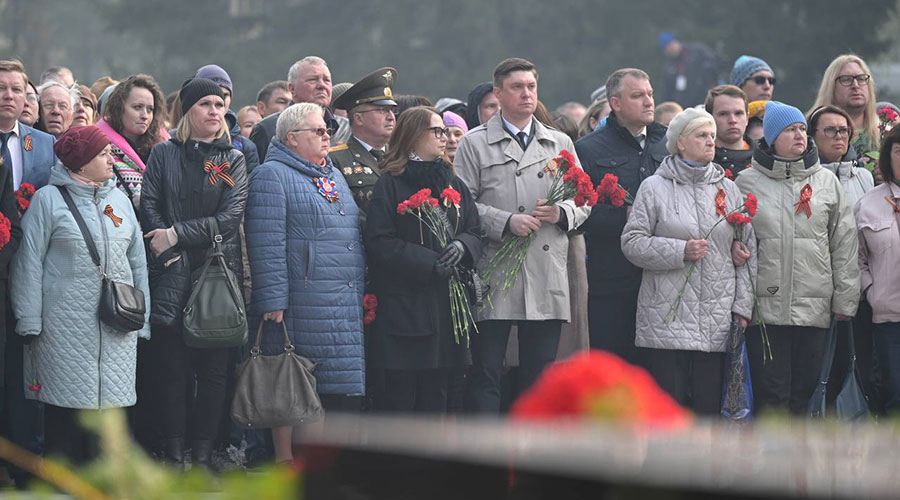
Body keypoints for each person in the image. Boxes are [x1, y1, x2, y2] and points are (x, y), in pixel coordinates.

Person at [455, 58, 590, 413]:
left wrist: (563, 213)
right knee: (487, 372)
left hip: (546, 269)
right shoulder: (474, 143)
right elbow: (460, 204)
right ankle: (489, 456)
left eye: (531, 86)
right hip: (495, 269)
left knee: (540, 376)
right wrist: (504, 221)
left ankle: (533, 453)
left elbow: (584, 198)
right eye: (517, 87)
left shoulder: (559, 142)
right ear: (498, 94)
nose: (527, 94)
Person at [11, 125, 149, 464]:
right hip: (64, 329)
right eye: (103, 154)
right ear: (82, 162)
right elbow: (28, 263)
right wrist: (29, 319)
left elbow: (138, 262)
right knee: (65, 418)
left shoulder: (118, 200)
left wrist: (142, 319)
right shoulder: (48, 200)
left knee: (110, 421)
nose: (111, 159)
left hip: (118, 326)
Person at [246, 102, 364, 463]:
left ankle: (314, 466)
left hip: (339, 300)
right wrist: (272, 298)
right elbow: (265, 240)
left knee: (322, 389)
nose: (327, 134)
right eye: (318, 130)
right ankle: (284, 461)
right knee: (290, 384)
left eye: (327, 129)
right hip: (300, 300)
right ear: (292, 138)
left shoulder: (331, 173)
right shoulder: (272, 174)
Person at [140, 78, 248, 468]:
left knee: (214, 373)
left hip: (214, 276)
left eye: (220, 105)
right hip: (170, 274)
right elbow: (149, 205)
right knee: (172, 371)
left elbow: (229, 217)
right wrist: (163, 241)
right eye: (205, 104)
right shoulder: (163, 154)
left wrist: (176, 234)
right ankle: (174, 453)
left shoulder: (229, 159)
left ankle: (203, 456)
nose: (215, 111)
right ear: (187, 111)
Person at [621, 108, 755, 414]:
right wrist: (680, 251)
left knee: (709, 409)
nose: (710, 141)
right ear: (680, 142)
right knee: (671, 408)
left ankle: (707, 463)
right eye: (701, 135)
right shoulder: (654, 187)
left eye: (712, 135)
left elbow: (748, 253)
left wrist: (742, 308)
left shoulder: (729, 189)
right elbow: (631, 243)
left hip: (716, 317)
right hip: (667, 318)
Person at [735, 101, 859, 415]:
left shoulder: (826, 182)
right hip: (766, 308)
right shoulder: (746, 183)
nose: (800, 135)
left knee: (806, 395)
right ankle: (771, 463)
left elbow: (843, 243)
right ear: (773, 136)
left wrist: (845, 301)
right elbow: (735, 240)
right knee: (771, 395)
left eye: (802, 129)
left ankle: (801, 463)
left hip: (814, 306)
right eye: (790, 130)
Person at [365, 106, 482, 413]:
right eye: (437, 131)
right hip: (407, 308)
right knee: (403, 397)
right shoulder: (391, 183)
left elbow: (474, 228)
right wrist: (428, 262)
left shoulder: (452, 182)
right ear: (414, 136)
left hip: (447, 307)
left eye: (445, 131)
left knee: (440, 394)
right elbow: (379, 241)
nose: (444, 138)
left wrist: (462, 247)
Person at [575, 68, 668, 364]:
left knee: (658, 374)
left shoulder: (668, 145)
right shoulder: (588, 150)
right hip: (610, 281)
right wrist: (626, 216)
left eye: (650, 94)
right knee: (611, 370)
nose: (648, 101)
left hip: (662, 281)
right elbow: (578, 212)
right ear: (615, 103)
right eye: (638, 96)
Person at [857, 127, 900, 414]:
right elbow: (856, 260)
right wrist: (873, 293)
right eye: (899, 151)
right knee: (893, 397)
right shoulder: (869, 203)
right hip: (888, 320)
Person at [330, 67, 398, 221]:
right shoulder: (336, 160)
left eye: (392, 110)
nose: (391, 117)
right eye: (382, 110)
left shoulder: (401, 155)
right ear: (359, 118)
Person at [250, 57, 350, 160]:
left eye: (327, 80)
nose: (321, 85)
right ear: (292, 89)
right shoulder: (268, 128)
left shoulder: (347, 128)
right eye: (312, 80)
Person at [95, 74, 168, 210]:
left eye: (150, 109)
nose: (145, 115)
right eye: (137, 107)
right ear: (119, 108)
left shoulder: (165, 150)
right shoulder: (98, 151)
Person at [810, 55, 879, 161]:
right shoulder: (807, 131)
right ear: (831, 88)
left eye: (861, 78)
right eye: (846, 79)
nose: (855, 85)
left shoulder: (885, 131)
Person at [194, 64, 260, 174]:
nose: (219, 100)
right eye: (211, 93)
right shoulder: (176, 141)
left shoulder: (245, 147)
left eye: (225, 95)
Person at [808, 105, 873, 207]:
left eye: (843, 130)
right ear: (812, 135)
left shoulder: (864, 177)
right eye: (830, 130)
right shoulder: (802, 178)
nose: (838, 136)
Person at [658, 32, 721, 107]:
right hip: (685, 106)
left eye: (671, 44)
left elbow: (716, 66)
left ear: (677, 41)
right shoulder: (669, 68)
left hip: (706, 99)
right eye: (667, 47)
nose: (671, 49)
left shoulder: (698, 52)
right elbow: (666, 91)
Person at [706, 85, 753, 178]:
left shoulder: (765, 159)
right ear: (710, 118)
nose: (733, 120)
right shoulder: (700, 161)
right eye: (723, 114)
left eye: (738, 113)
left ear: (747, 118)